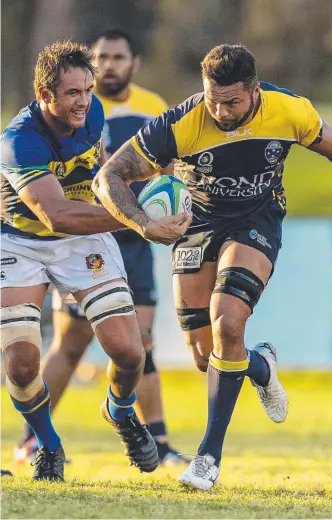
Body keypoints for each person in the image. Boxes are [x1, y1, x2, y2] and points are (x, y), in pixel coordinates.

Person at [92, 43, 332, 491]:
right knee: (207, 356)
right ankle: (260, 366)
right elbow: (107, 177)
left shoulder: (290, 111)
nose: (220, 111)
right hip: (196, 223)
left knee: (227, 322)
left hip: (256, 220)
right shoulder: (183, 122)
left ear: (255, 91)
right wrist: (145, 225)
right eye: (212, 99)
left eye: (232, 102)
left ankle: (208, 458)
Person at [0, 39, 191, 481]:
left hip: (83, 240)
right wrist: (141, 220)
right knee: (21, 363)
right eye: (73, 93)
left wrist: (150, 191)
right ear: (45, 95)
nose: (85, 100)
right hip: (22, 241)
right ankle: (48, 445)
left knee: (129, 352)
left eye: (88, 90)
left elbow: (103, 175)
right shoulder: (19, 141)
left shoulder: (93, 114)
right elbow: (56, 214)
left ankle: (120, 411)